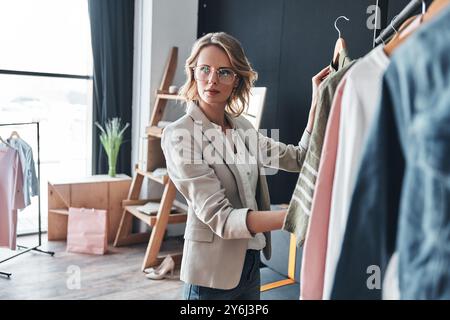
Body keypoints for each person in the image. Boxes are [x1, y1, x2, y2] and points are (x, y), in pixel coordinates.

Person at [161, 32, 330, 300]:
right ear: (193, 72)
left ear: (236, 79)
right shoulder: (179, 135)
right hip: (210, 278)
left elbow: (299, 158)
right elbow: (223, 219)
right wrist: (297, 218)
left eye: (224, 72)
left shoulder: (243, 127)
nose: (212, 79)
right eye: (204, 69)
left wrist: (317, 104)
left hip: (251, 265)